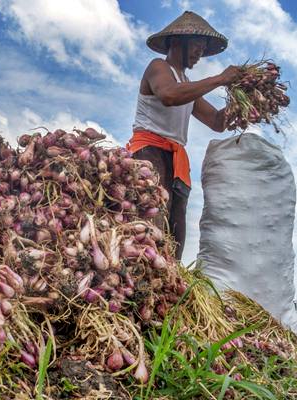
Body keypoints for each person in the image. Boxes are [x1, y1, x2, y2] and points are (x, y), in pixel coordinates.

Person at [126, 11, 241, 260]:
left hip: (176, 160)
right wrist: (220, 78)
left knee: (175, 230)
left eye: (203, 47)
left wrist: (242, 102)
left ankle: (170, 283)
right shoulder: (159, 68)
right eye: (197, 45)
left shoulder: (186, 83)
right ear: (177, 41)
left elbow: (216, 121)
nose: (200, 52)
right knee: (150, 224)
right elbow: (169, 94)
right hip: (150, 155)